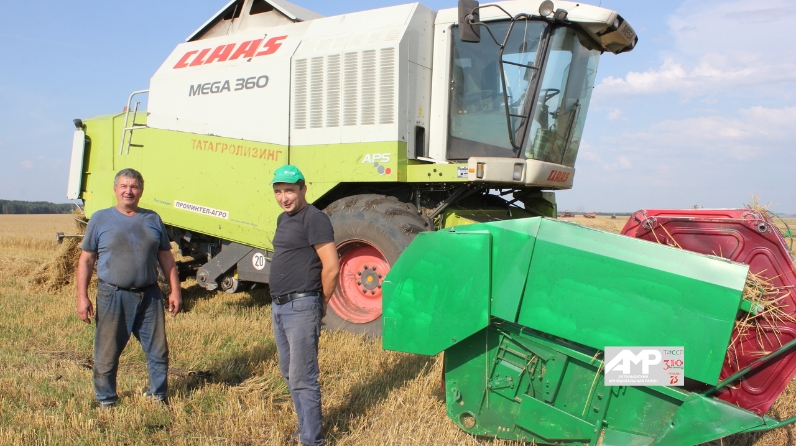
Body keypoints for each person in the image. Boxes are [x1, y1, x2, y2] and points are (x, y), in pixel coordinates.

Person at [75, 168, 182, 409]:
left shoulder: (153, 219)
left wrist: (175, 291)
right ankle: (106, 400)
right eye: (124, 186)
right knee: (107, 352)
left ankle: (158, 396)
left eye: (134, 187)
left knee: (158, 351)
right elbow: (86, 260)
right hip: (113, 295)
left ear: (141, 191)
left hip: (150, 295)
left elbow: (166, 258)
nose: (128, 191)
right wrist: (82, 297)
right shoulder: (100, 219)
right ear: (115, 190)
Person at [269, 165, 340, 446]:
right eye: (278, 192)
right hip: (280, 306)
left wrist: (321, 301)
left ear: (303, 189)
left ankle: (312, 440)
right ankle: (305, 429)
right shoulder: (283, 219)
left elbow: (331, 266)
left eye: (289, 191)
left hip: (301, 306)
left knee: (303, 377)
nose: (283, 197)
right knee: (289, 372)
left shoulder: (315, 219)